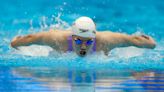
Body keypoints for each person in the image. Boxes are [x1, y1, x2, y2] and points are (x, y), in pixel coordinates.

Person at [11, 16, 156, 57]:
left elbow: (133, 40)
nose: (83, 45)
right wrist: (14, 43)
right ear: (72, 37)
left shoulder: (106, 41)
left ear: (94, 38)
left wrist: (151, 44)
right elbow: (32, 38)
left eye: (89, 41)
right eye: (78, 40)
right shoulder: (58, 39)